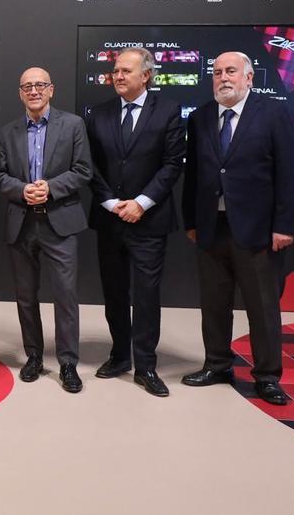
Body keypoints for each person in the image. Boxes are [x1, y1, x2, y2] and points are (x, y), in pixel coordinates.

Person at [182, 51, 294, 406]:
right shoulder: (202, 116)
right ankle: (217, 364)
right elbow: (195, 176)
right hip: (211, 227)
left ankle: (266, 377)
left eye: (231, 71)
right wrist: (191, 220)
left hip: (259, 231)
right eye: (217, 72)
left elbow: (291, 174)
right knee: (214, 304)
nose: (223, 78)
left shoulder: (275, 113)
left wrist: (284, 225)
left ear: (250, 77)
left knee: (262, 307)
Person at [84, 47, 184, 397]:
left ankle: (145, 365)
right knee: (114, 292)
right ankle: (118, 356)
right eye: (115, 70)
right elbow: (90, 166)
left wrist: (141, 203)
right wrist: (111, 202)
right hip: (110, 218)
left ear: (147, 75)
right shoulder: (98, 114)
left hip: (149, 220)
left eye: (126, 70)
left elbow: (172, 164)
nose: (118, 76)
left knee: (145, 295)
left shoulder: (169, 111)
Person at [0, 67, 92, 393]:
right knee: (25, 297)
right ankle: (33, 356)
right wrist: (22, 190)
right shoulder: (8, 132)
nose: (34, 91)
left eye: (40, 85)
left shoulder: (73, 125)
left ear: (51, 89)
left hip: (59, 221)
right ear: (20, 93)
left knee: (65, 297)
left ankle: (68, 363)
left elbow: (82, 170)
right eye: (27, 86)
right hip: (21, 223)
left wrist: (50, 188)